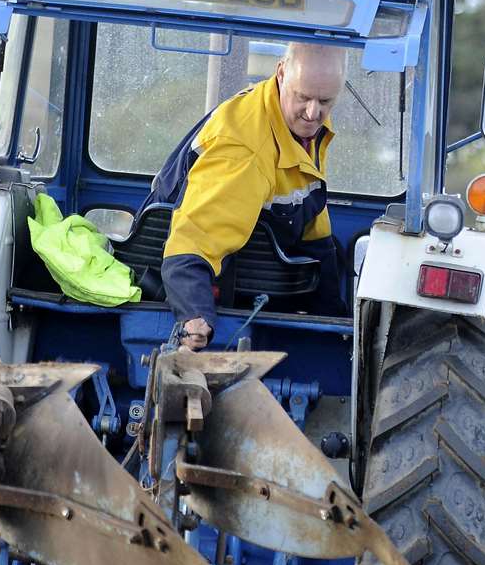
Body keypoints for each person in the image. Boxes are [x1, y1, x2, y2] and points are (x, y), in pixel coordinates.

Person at [145, 41, 348, 346]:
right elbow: (193, 239)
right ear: (281, 73)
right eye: (303, 97)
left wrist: (337, 322)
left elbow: (309, 208)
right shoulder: (245, 149)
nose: (313, 112)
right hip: (199, 281)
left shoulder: (301, 125)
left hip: (266, 259)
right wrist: (195, 317)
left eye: (325, 101)